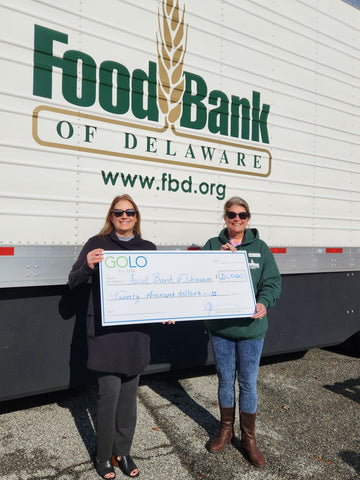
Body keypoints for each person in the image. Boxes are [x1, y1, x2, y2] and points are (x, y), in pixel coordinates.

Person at [68, 194, 157, 479]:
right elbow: (73, 281)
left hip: (135, 334)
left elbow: (155, 288)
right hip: (106, 334)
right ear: (111, 216)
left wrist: (166, 308)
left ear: (136, 216)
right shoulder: (97, 244)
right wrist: (89, 265)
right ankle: (104, 455)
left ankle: (124, 451)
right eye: (118, 212)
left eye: (130, 212)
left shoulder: (148, 248)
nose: (124, 216)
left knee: (129, 400)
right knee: (109, 397)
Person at [201, 196, 281, 468]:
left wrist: (263, 302)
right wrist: (217, 261)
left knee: (248, 383)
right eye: (231, 215)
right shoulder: (212, 245)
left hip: (251, 329)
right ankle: (225, 431)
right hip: (221, 328)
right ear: (224, 217)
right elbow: (198, 278)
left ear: (248, 218)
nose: (237, 219)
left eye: (242, 215)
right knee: (225, 381)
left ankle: (249, 439)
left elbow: (272, 283)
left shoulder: (260, 248)